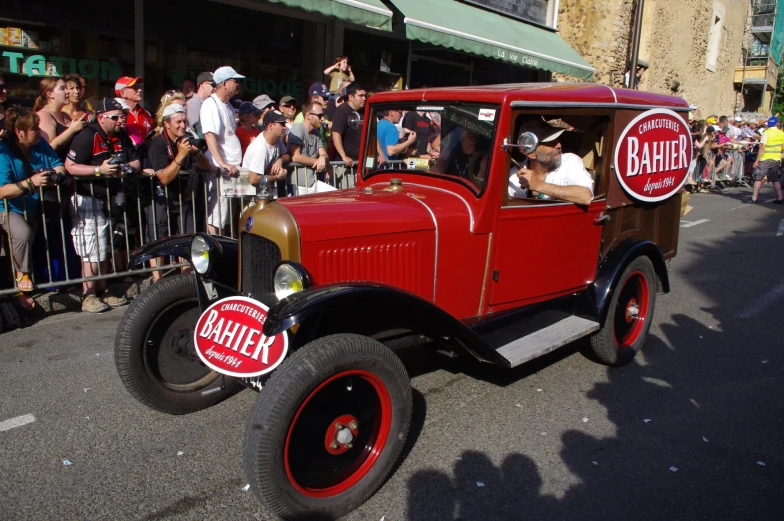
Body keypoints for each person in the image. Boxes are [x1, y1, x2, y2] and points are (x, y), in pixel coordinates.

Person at [64, 98, 137, 312]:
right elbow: (70, 166)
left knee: (104, 247)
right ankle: (88, 295)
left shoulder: (120, 135)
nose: (120, 120)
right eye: (115, 117)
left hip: (110, 198)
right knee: (91, 249)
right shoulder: (88, 136)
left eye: (122, 116)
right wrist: (98, 171)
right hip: (87, 198)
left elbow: (136, 159)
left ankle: (103, 290)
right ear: (102, 117)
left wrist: (128, 168)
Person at [0, 106, 64, 310]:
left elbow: (57, 163)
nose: (40, 130)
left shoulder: (40, 144)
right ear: (20, 133)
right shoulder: (3, 151)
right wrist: (30, 182)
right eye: (35, 128)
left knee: (24, 246)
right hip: (6, 207)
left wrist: (56, 175)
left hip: (32, 205)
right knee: (22, 234)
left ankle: (22, 288)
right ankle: (22, 287)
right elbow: (1, 190)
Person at [145, 103, 214, 281]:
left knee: (187, 240)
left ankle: (185, 280)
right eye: (178, 122)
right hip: (161, 199)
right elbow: (165, 178)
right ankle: (157, 282)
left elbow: (208, 168)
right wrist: (181, 155)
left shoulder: (186, 139)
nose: (182, 125)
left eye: (184, 121)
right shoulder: (158, 144)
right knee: (158, 240)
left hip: (184, 197)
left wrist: (197, 153)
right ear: (166, 124)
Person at [507, 119, 593, 205]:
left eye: (557, 140)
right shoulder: (514, 177)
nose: (559, 145)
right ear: (531, 153)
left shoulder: (570, 161)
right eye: (551, 142)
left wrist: (539, 185)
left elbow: (585, 197)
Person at [200, 66, 244, 234]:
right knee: (216, 218)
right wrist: (222, 163)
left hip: (232, 171)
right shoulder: (211, 105)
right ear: (225, 83)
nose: (238, 84)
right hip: (220, 172)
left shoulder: (229, 107)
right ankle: (215, 253)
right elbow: (210, 136)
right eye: (235, 81)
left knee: (226, 218)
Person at [288, 101, 335, 194]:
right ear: (308, 115)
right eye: (320, 115)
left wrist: (322, 158)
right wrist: (317, 161)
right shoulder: (297, 129)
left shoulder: (316, 132)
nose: (322, 119)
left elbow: (324, 154)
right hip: (298, 183)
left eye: (323, 115)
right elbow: (295, 156)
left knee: (335, 196)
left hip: (313, 181)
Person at [34, 77, 87, 159]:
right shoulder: (44, 115)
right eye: (62, 88)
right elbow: (48, 148)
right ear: (50, 94)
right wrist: (72, 129)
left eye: (66, 88)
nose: (67, 92)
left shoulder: (64, 115)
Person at [243, 110, 290, 194]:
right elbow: (253, 179)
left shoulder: (277, 140)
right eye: (282, 124)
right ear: (271, 126)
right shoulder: (260, 147)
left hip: (265, 194)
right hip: (253, 198)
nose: (285, 127)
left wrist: (280, 160)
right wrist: (277, 177)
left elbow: (287, 155)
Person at [330, 83, 366, 187]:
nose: (364, 98)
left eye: (365, 95)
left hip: (362, 167)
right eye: (360, 96)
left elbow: (371, 134)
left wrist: (380, 154)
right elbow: (336, 133)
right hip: (346, 168)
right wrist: (343, 156)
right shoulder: (342, 110)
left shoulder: (365, 111)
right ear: (350, 97)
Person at [747, 117, 784, 204]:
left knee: (758, 178)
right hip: (776, 158)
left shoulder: (766, 133)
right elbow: (782, 146)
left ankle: (754, 198)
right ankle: (780, 198)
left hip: (766, 158)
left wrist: (757, 160)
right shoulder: (781, 133)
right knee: (775, 179)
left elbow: (762, 147)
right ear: (777, 123)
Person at [115, 76, 153, 146]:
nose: (139, 90)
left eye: (139, 87)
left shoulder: (147, 114)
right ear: (123, 93)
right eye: (134, 88)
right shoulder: (116, 116)